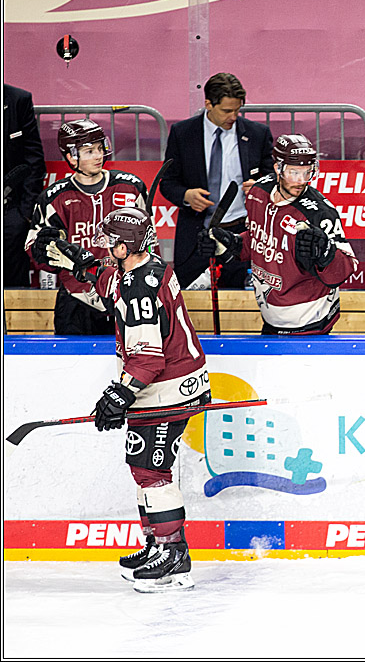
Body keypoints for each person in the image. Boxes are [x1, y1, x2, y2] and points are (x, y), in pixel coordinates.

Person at [40, 206, 210, 593]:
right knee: (143, 466)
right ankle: (157, 544)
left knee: (152, 470)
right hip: (165, 385)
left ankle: (173, 554)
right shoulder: (142, 269)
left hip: (167, 388)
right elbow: (110, 284)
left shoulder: (139, 290)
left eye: (109, 241)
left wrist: (119, 394)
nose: (102, 245)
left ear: (125, 245)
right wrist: (84, 265)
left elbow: (148, 358)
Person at [201, 134, 359, 335]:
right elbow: (260, 239)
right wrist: (233, 244)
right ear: (278, 168)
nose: (301, 181)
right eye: (294, 172)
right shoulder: (258, 193)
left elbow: (347, 267)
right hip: (271, 320)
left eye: (307, 172)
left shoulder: (319, 213)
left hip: (310, 323)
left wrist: (326, 253)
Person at [24, 119, 148, 335]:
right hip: (76, 300)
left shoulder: (131, 188)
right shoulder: (54, 199)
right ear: (71, 156)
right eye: (89, 151)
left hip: (127, 295)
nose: (99, 155)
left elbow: (149, 244)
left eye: (100, 148)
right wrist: (43, 251)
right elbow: (35, 248)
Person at [160, 72, 274, 290]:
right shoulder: (183, 133)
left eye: (238, 110)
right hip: (195, 236)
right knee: (188, 305)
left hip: (240, 235)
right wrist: (186, 196)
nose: (233, 116)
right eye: (227, 111)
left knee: (239, 306)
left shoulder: (257, 134)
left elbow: (271, 181)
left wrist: (261, 188)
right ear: (208, 104)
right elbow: (168, 182)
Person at [3, 83, 46, 288]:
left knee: (14, 288)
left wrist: (26, 214)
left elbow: (33, 161)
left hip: (10, 210)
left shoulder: (17, 99)